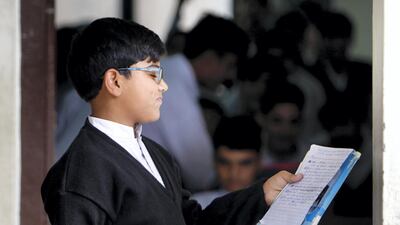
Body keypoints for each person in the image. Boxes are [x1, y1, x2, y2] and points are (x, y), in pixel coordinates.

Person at [41, 17, 302, 225]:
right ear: (115, 81)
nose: (164, 86)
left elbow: (194, 220)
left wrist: (259, 196)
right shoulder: (80, 176)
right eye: (153, 73)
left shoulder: (156, 155)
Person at [142, 14, 250, 192]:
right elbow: (200, 173)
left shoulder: (163, 70)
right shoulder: (172, 85)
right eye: (230, 65)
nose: (229, 76)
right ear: (209, 57)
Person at [192, 115, 262, 208]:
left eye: (244, 163)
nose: (233, 173)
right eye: (224, 163)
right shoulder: (196, 206)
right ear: (214, 161)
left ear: (259, 163)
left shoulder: (275, 207)